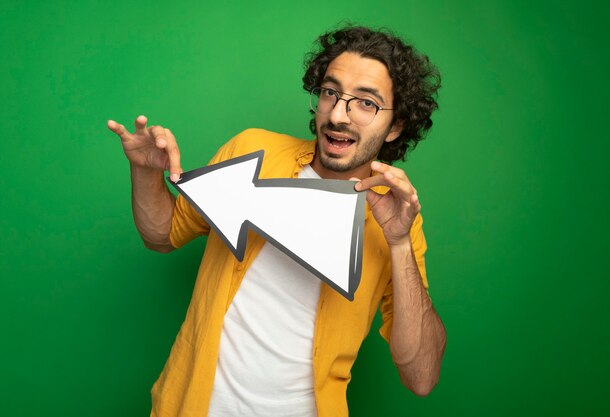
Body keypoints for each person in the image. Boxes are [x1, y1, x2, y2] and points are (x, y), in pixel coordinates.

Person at [108, 26, 446, 417]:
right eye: (330, 93)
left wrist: (400, 243)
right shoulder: (252, 151)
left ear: (397, 125)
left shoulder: (397, 223)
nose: (338, 115)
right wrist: (145, 171)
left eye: (366, 103)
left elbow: (421, 377)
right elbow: (161, 235)